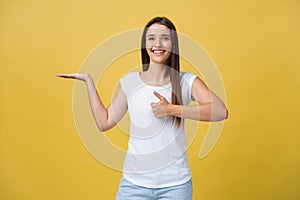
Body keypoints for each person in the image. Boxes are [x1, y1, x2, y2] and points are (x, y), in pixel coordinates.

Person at [57, 16, 228, 200]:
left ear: (173, 44)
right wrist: (89, 81)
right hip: (133, 185)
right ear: (145, 44)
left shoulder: (186, 81)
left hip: (175, 186)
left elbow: (220, 111)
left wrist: (172, 110)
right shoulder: (130, 82)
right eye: (151, 38)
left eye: (165, 38)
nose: (158, 43)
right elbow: (104, 122)